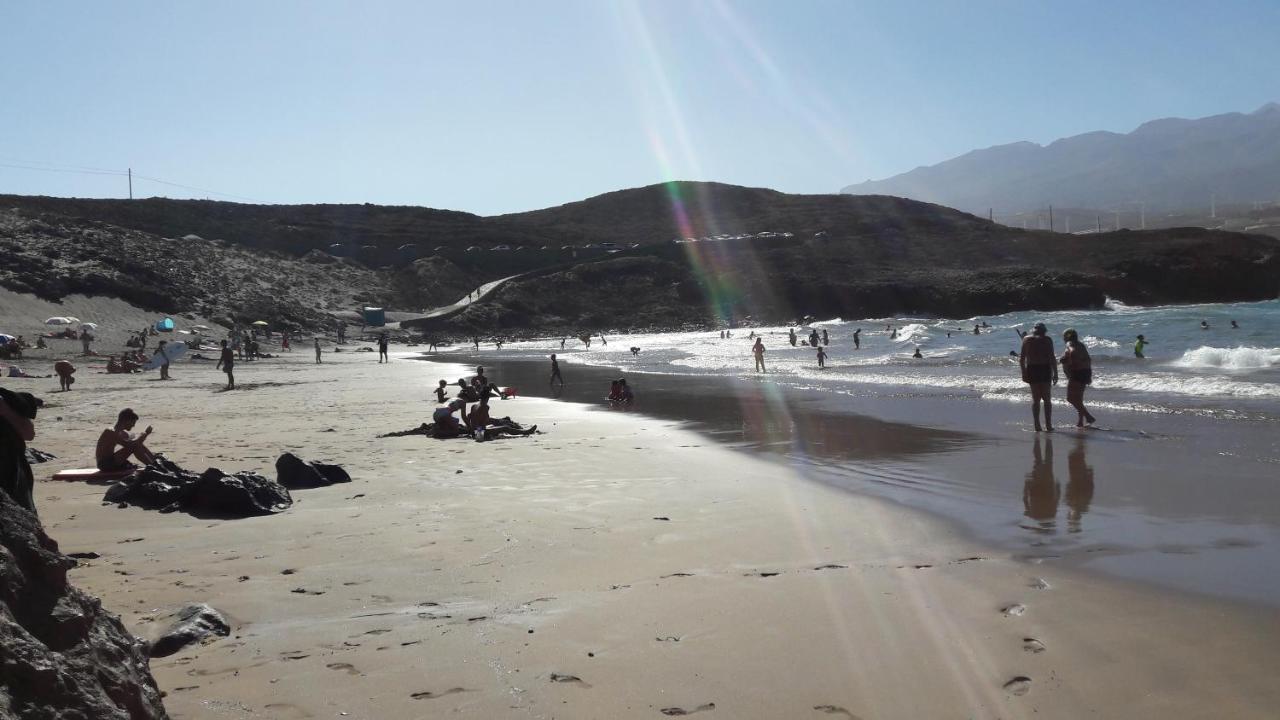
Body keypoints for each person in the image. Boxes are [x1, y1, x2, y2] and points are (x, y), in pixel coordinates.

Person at [0, 387, 39, 514]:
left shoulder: (9, 399)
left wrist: (5, 410)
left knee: (24, 522)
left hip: (12, 472)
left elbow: (29, 434)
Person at [1019, 322, 1057, 432]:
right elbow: (1052, 357)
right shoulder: (1047, 339)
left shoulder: (1026, 339)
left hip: (1032, 369)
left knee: (1036, 400)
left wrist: (1024, 373)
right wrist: (1056, 373)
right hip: (1044, 369)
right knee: (1047, 399)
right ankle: (1048, 425)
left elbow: (1022, 359)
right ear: (1043, 331)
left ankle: (1037, 425)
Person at [95, 408, 157, 472]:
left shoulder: (124, 434)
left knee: (137, 445)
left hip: (112, 461)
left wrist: (143, 436)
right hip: (104, 464)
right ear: (126, 420)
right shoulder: (110, 432)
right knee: (134, 446)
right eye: (133, 422)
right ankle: (153, 467)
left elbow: (137, 444)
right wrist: (145, 434)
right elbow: (130, 446)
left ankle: (155, 463)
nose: (133, 425)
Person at [1059, 328, 1096, 427]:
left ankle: (1088, 417)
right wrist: (1089, 374)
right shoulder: (1081, 345)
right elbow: (1088, 359)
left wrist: (1068, 358)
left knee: (1070, 398)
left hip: (1077, 373)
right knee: (1079, 399)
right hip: (1085, 372)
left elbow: (1072, 351)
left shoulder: (1070, 344)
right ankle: (1080, 422)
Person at [467, 395, 537, 439]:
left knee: (494, 422)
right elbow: (485, 421)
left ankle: (516, 428)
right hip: (480, 434)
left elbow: (471, 418)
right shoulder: (485, 406)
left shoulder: (474, 406)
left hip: (474, 432)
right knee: (505, 428)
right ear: (487, 398)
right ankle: (525, 432)